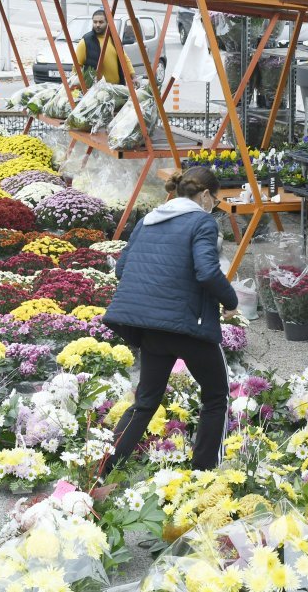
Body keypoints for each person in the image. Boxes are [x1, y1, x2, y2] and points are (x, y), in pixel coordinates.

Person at [101, 167, 238, 474]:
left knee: (145, 402)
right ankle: (204, 472)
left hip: (149, 328)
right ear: (205, 196)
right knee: (216, 396)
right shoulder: (201, 220)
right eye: (215, 200)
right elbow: (206, 271)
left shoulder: (149, 220)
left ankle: (105, 467)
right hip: (189, 327)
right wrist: (231, 301)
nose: (213, 207)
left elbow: (121, 269)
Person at [75, 10, 136, 86]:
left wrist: (133, 75)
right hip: (96, 91)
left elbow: (124, 58)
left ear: (107, 23)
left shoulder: (114, 38)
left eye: (101, 22)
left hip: (117, 88)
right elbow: (76, 66)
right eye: (95, 22)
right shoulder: (86, 41)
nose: (97, 25)